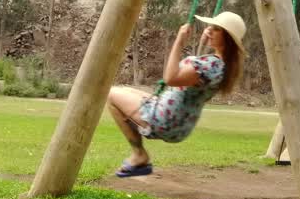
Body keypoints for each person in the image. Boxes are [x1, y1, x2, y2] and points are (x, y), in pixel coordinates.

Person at [105, 12, 246, 177]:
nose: (208, 30)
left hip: (166, 119)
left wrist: (179, 41)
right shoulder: (219, 65)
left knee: (111, 95)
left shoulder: (210, 66)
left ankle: (139, 154)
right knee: (125, 91)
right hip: (179, 121)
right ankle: (139, 144)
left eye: (215, 29)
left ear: (227, 38)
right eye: (210, 26)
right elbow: (194, 74)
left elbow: (171, 78)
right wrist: (203, 44)